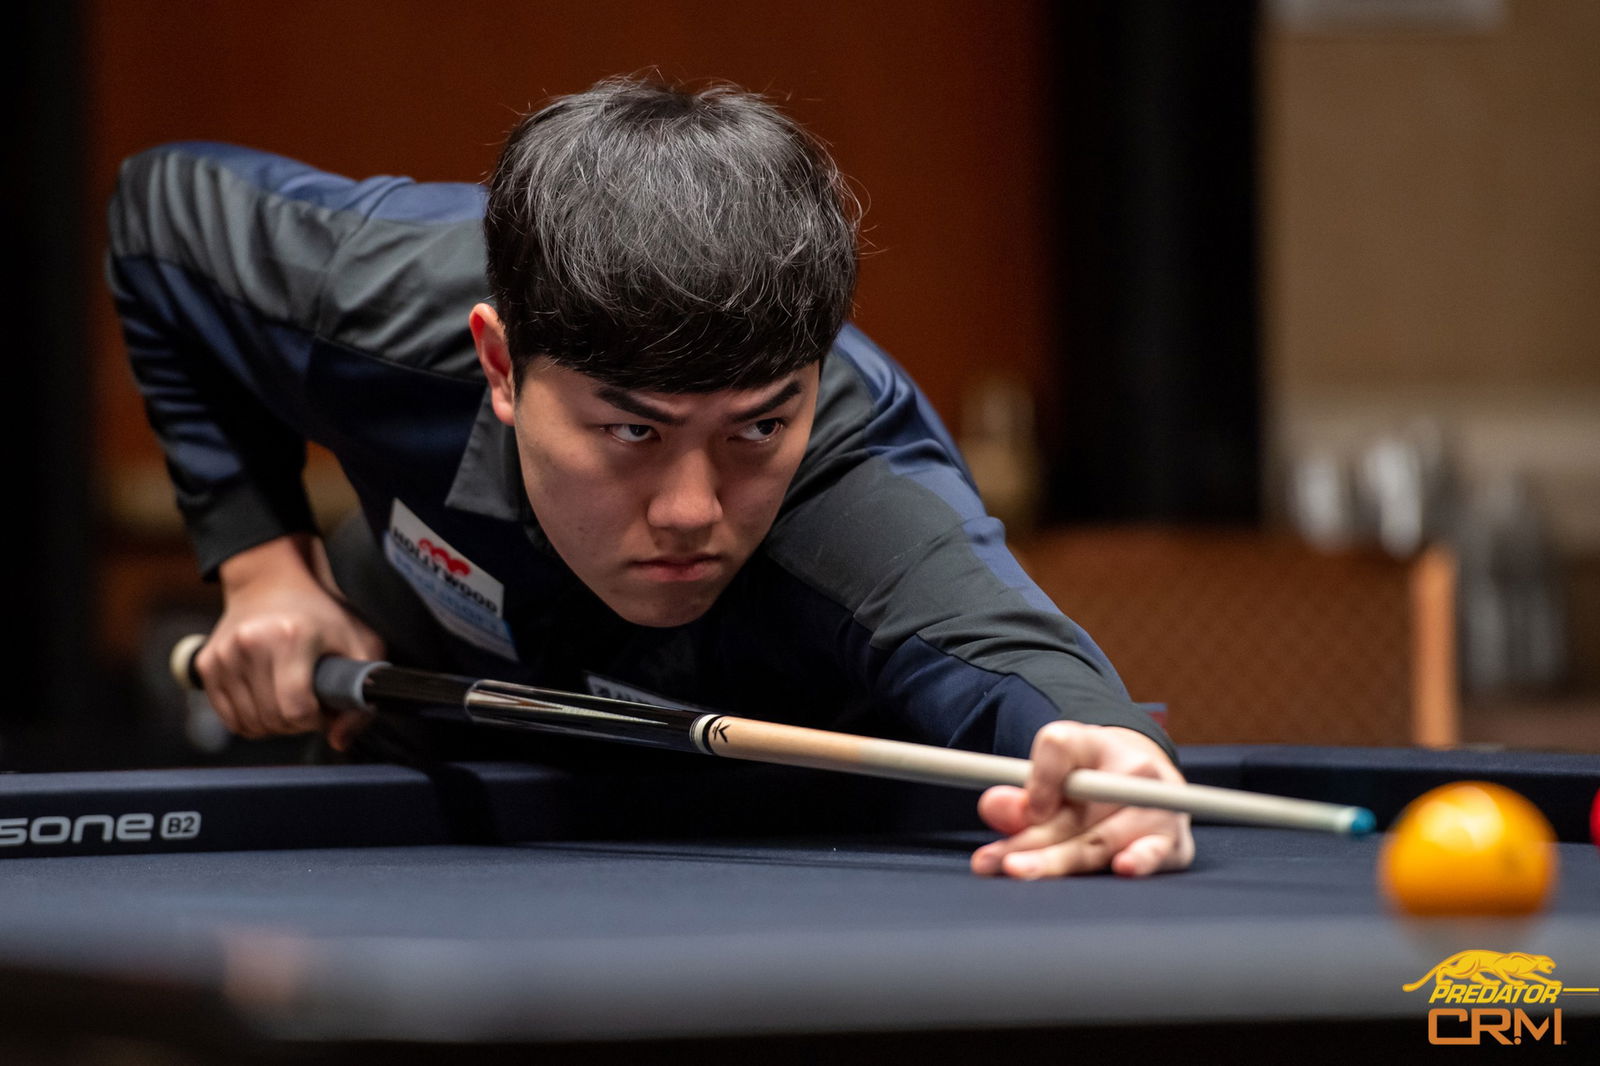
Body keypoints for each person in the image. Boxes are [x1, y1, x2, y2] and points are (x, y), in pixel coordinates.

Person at [108, 76, 1194, 879]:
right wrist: (262, 568)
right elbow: (156, 221)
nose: (690, 511)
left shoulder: (855, 479)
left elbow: (1004, 653)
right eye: (631, 430)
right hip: (414, 742)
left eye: (757, 427)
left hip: (769, 847)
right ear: (500, 364)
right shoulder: (372, 298)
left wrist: (1115, 756)